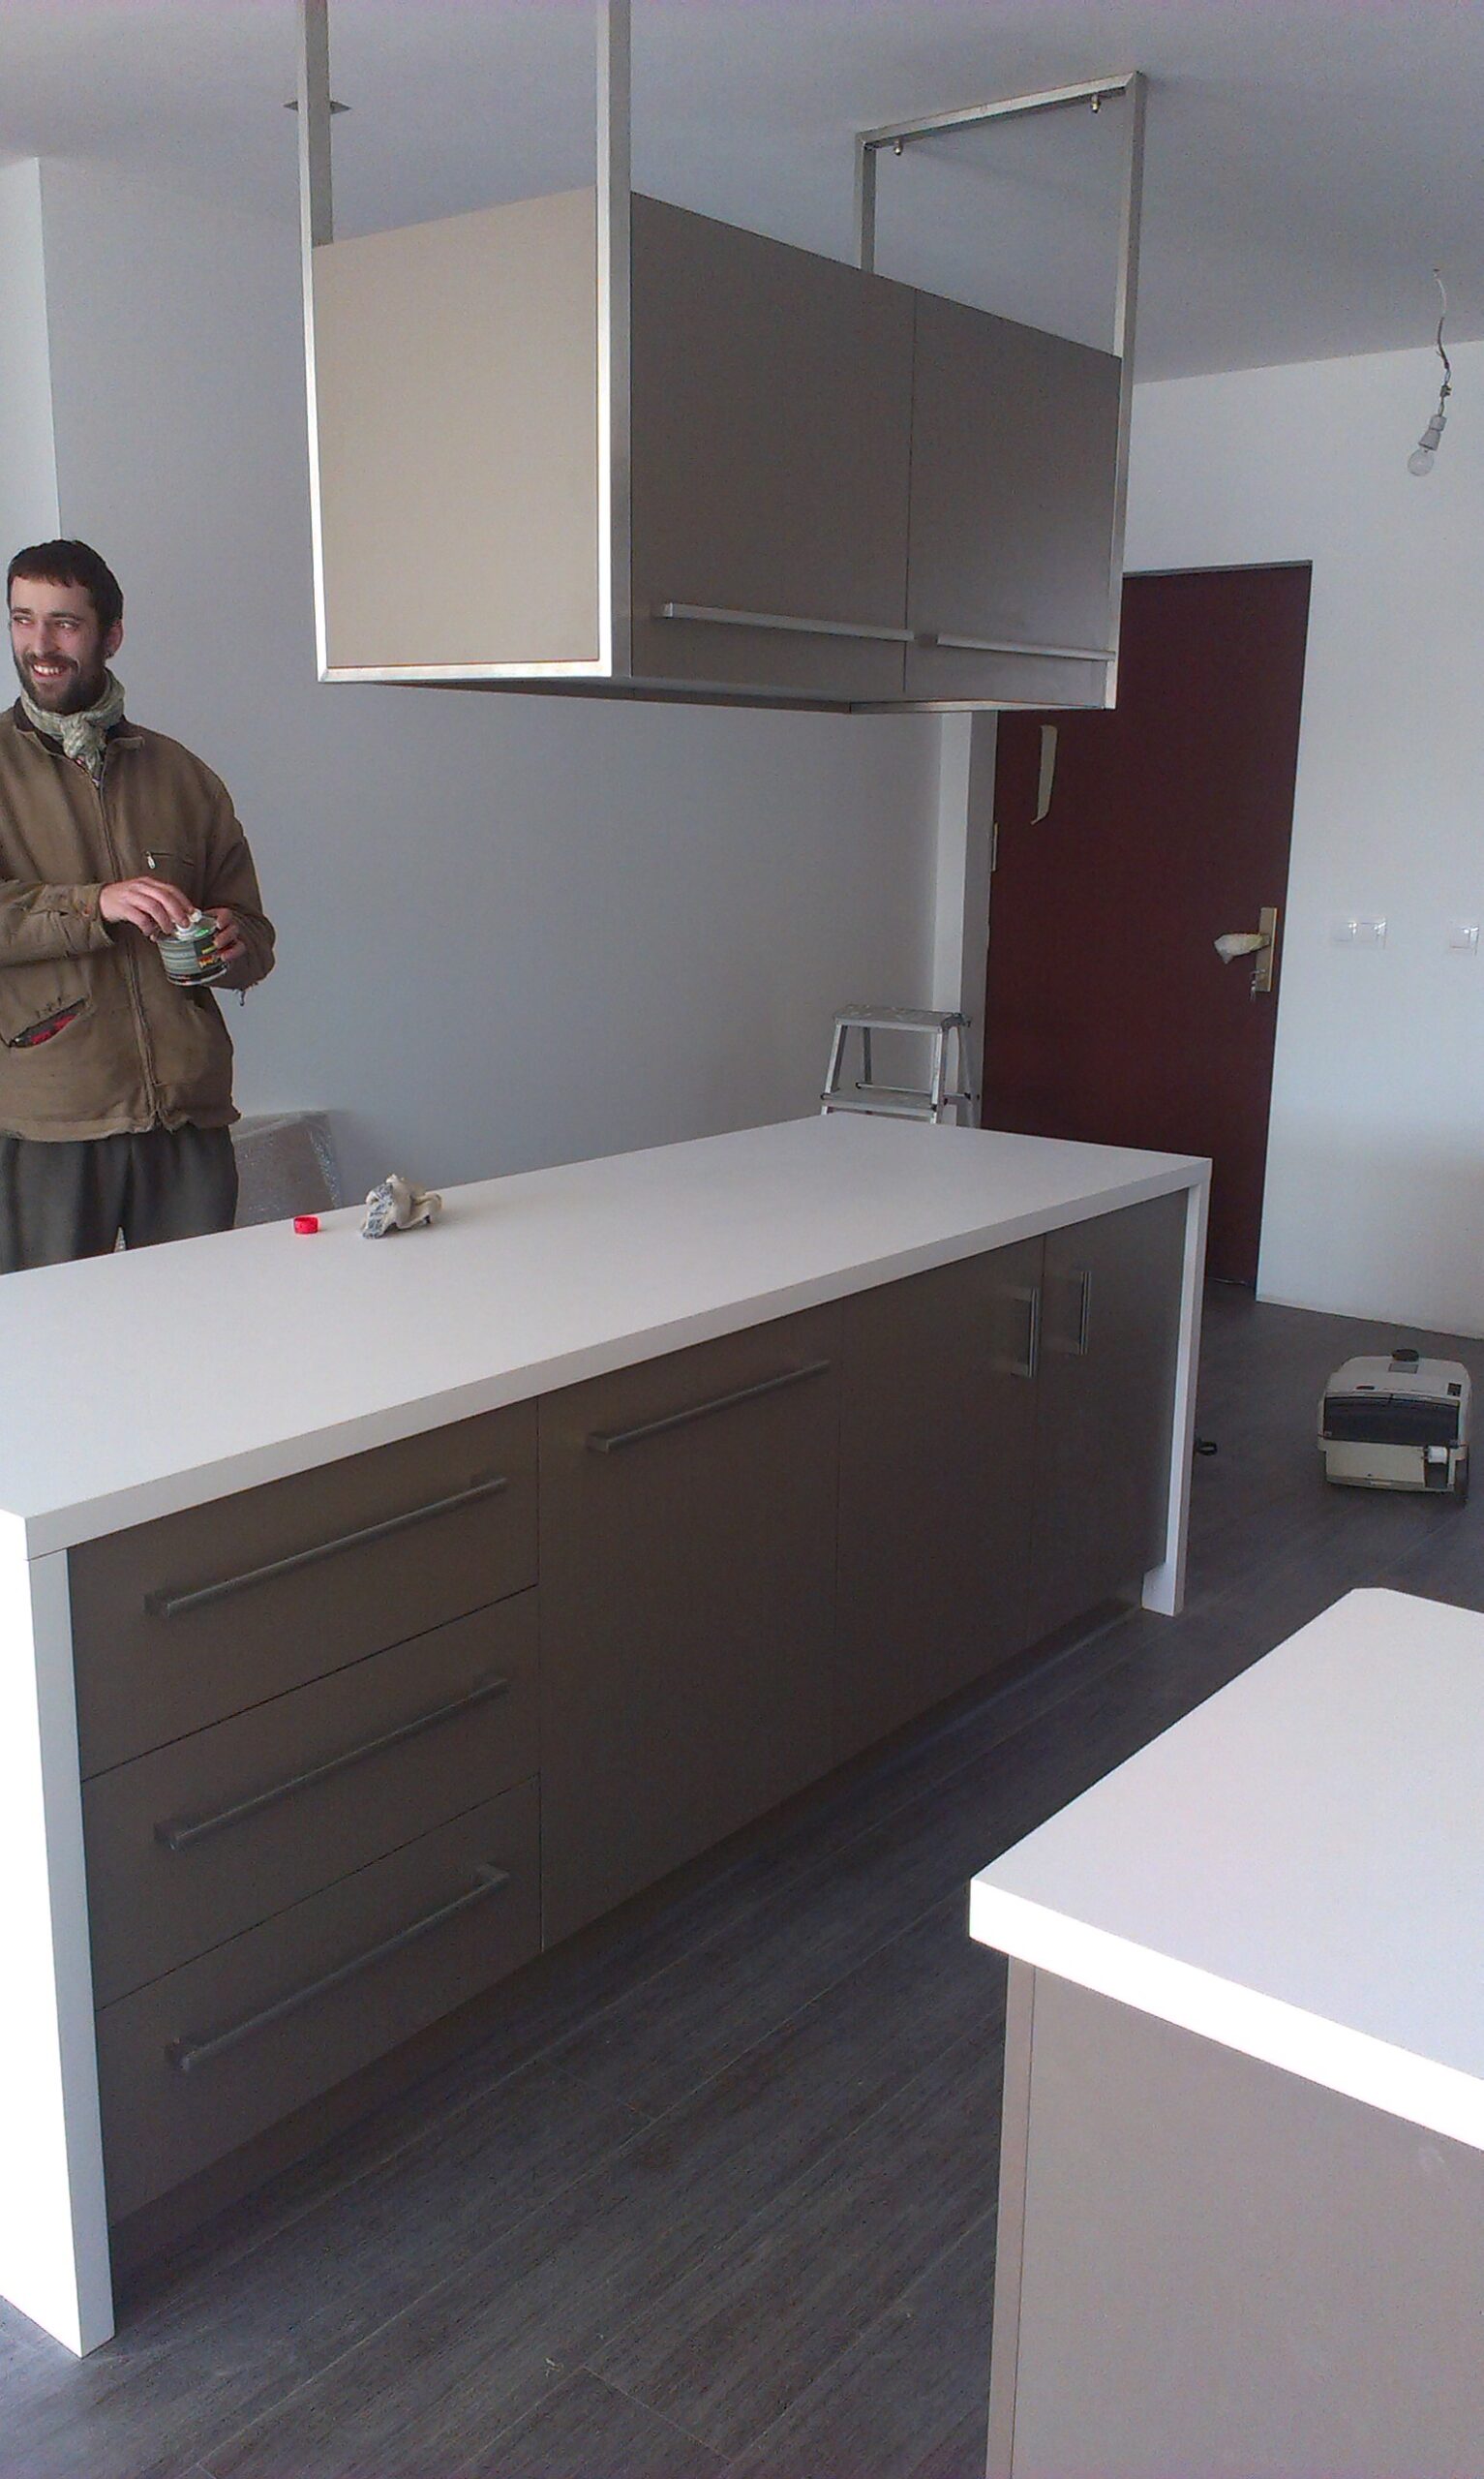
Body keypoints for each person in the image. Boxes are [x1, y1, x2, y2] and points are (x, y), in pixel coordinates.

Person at [0, 539, 275, 1272]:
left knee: (200, 1324)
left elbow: (256, 937)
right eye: (23, 620)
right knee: (56, 1333)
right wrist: (97, 905)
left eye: (64, 623)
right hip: (51, 1122)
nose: (40, 645)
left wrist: (234, 944)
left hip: (187, 1118)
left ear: (111, 635)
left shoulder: (184, 775)